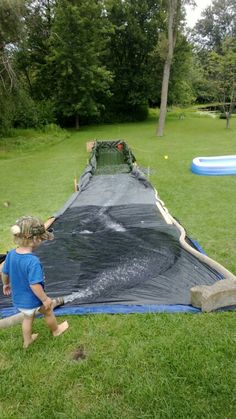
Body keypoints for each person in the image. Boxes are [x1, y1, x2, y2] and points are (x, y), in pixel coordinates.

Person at [1, 216, 69, 348]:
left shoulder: (11, 255)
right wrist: (45, 299)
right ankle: (56, 330)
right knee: (48, 311)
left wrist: (6, 284)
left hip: (19, 299)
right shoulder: (33, 262)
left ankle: (27, 341)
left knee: (27, 318)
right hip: (33, 299)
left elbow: (4, 272)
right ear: (36, 240)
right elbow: (34, 285)